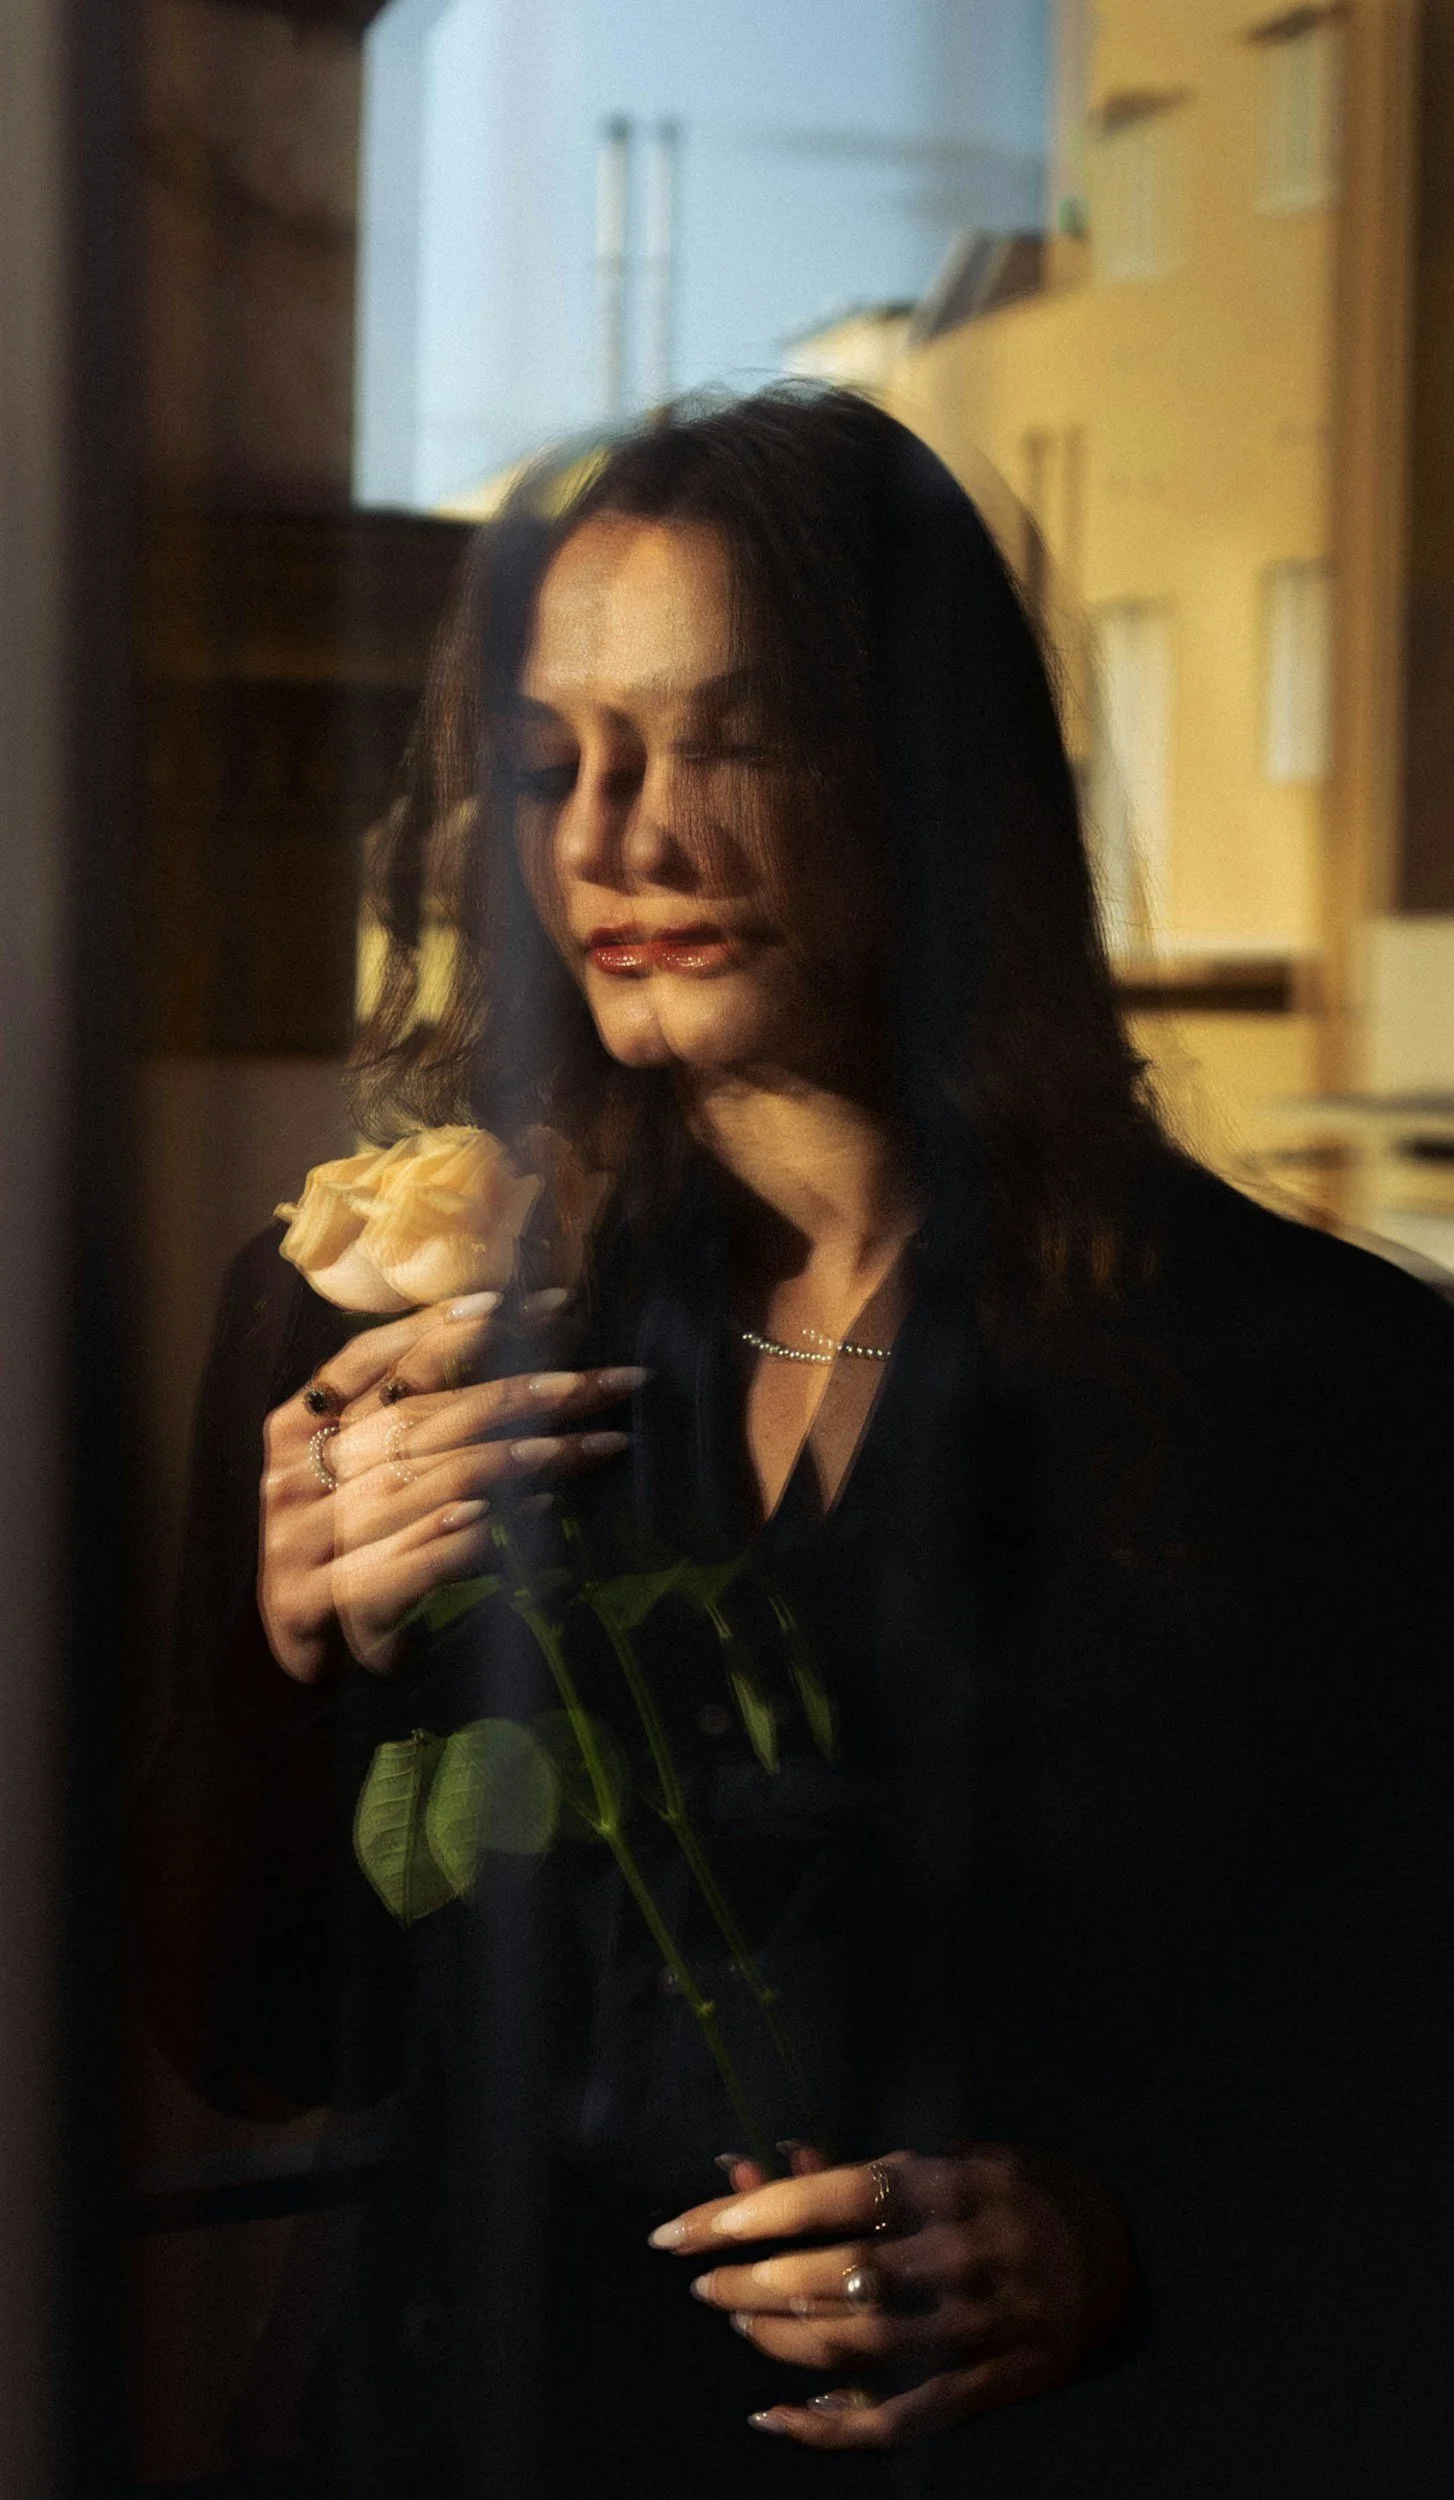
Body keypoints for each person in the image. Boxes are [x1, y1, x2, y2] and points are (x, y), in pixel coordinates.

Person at [141, 388, 1454, 2498]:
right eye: (558, 757)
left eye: (728, 739)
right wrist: (274, 1664)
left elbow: (1401, 2070)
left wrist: (1123, 2244)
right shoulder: (361, 1336)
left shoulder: (1327, 1380)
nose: (619, 839)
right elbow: (250, 2036)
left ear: (931, 777)